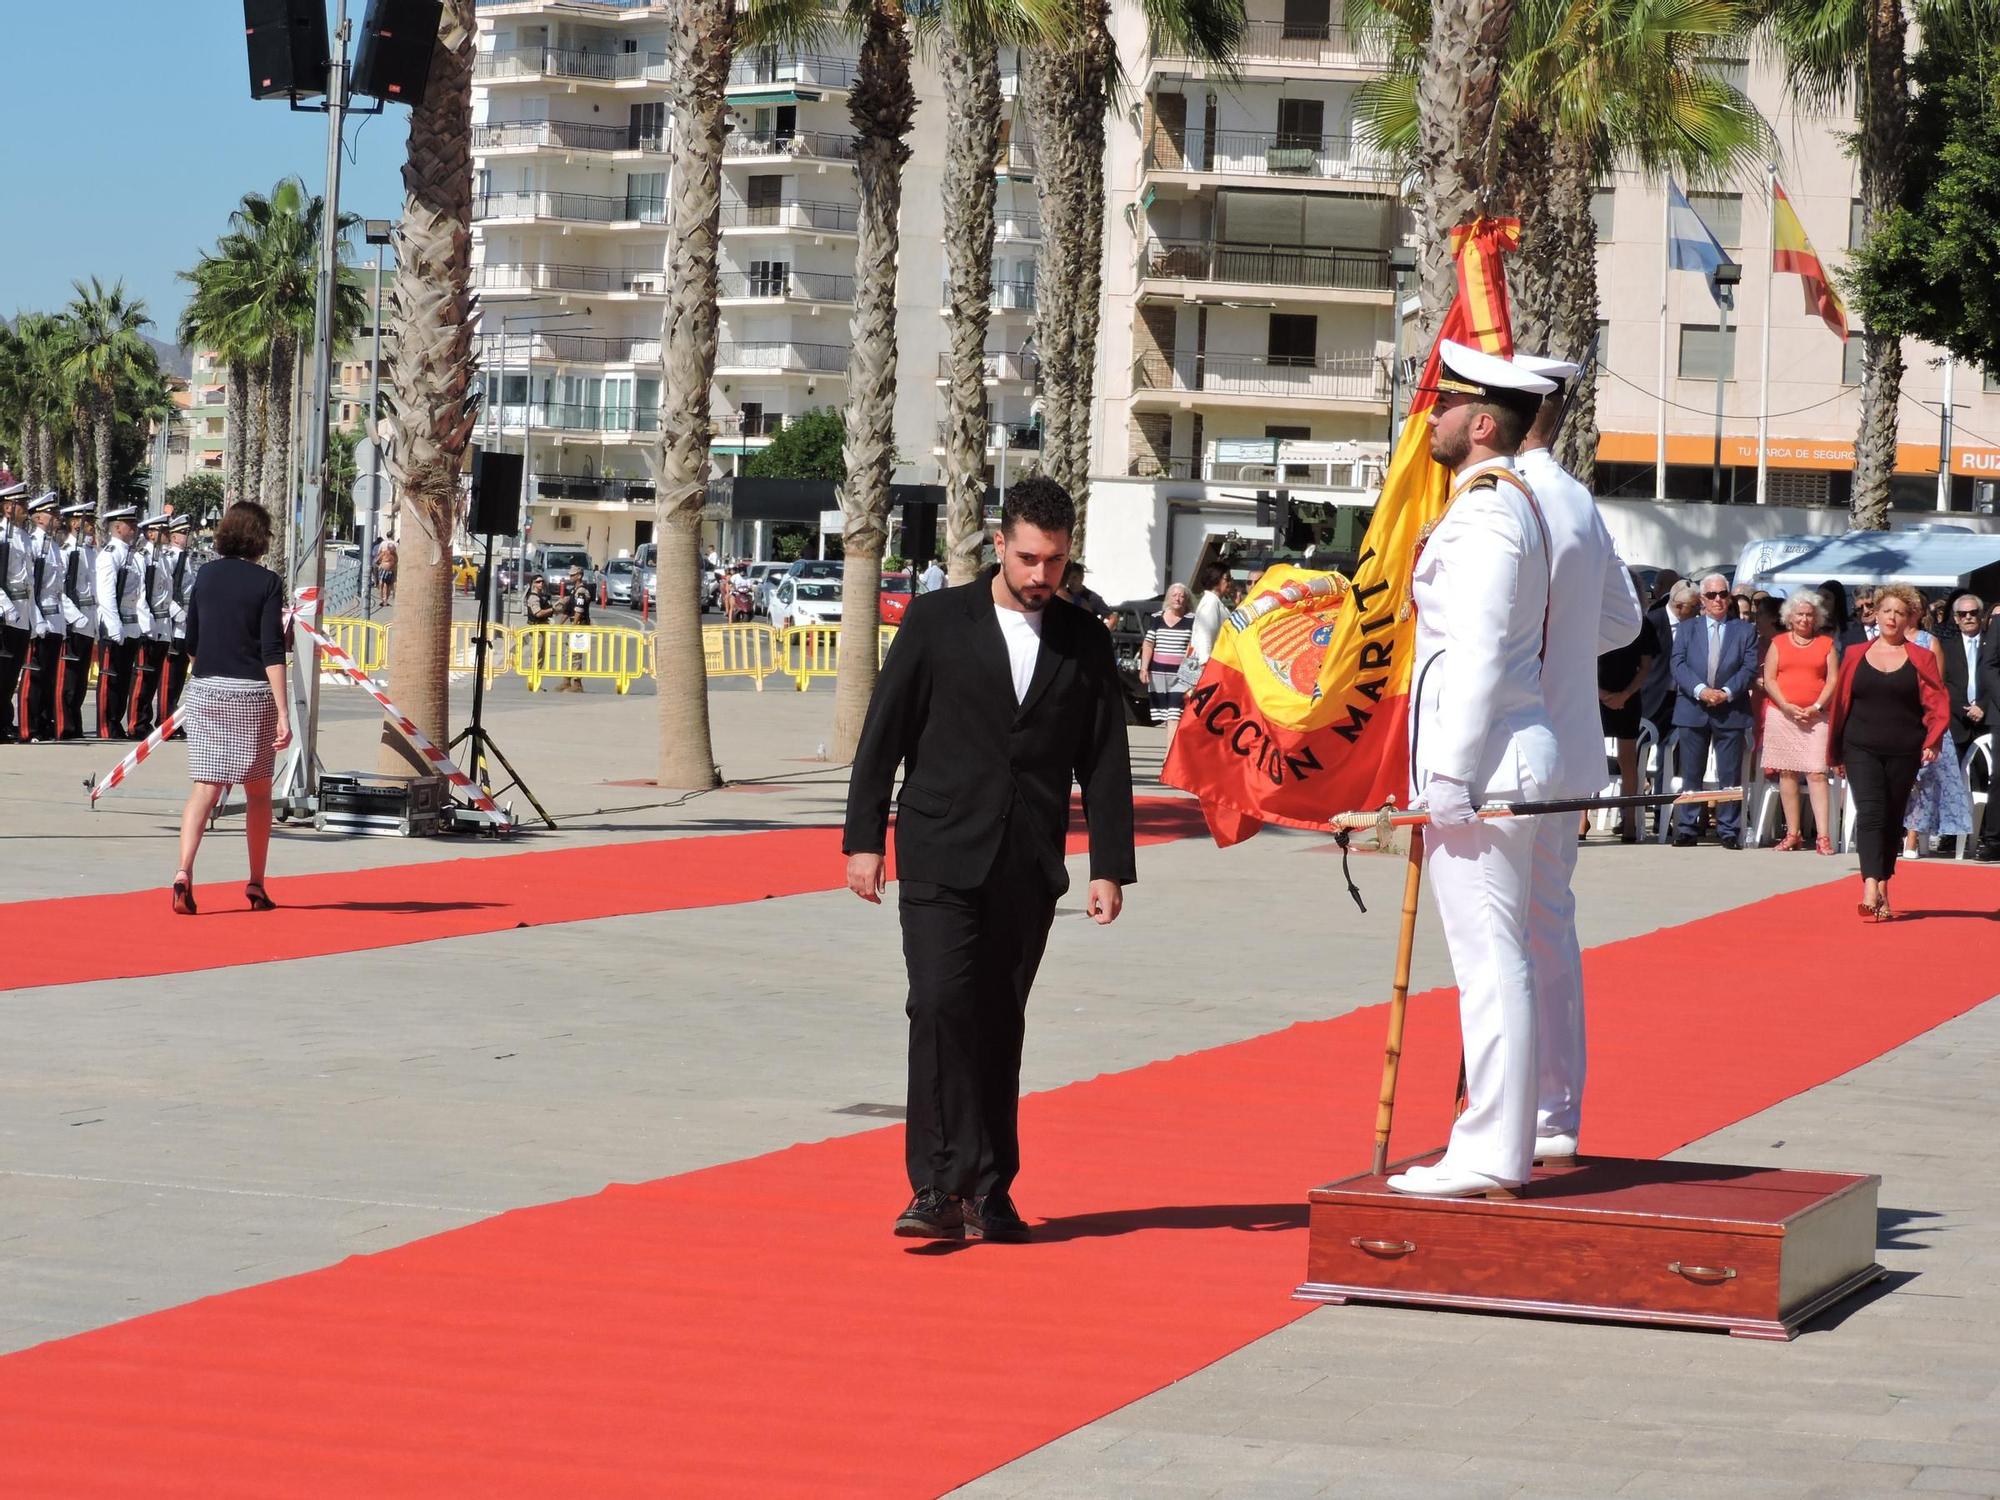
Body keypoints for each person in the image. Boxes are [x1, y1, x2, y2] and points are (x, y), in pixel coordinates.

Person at [842, 475, 1135, 1242]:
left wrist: (1108, 865)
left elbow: (1103, 761)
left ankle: (990, 1190)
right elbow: (887, 731)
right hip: (940, 849)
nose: (1044, 577)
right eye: (1031, 559)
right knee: (938, 1005)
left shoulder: (1085, 639)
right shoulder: (940, 621)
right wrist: (866, 839)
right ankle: (937, 1188)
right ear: (999, 545)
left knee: (1000, 1022)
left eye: (1058, 563)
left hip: (1027, 861)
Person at [1385, 340, 1559, 1201]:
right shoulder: (1484, 503)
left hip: (1486, 766)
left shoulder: (1490, 511)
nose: (1434, 415)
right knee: (1495, 959)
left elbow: (1484, 650)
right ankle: (1496, 1141)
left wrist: (1448, 773)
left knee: (1490, 961)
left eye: (1447, 404)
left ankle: (1491, 1149)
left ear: (1482, 424)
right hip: (1490, 760)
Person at [1510, 353, 1643, 1170]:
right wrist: (1562, 659)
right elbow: (1623, 620)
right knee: (1547, 932)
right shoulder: (1576, 497)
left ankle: (1515, 1112)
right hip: (1566, 744)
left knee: (1503, 941)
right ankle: (1553, 1108)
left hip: (1507, 750)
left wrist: (1537, 653)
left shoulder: (1507, 495)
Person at [171, 501, 292, 917]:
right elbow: (272, 650)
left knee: (204, 787)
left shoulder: (205, 575)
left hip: (206, 689)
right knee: (258, 789)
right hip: (251, 693)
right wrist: (283, 711)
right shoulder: (268, 582)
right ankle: (256, 883)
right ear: (260, 539)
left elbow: (192, 640)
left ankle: (184, 871)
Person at [1829, 583, 1949, 920]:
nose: (1892, 618)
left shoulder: (1921, 657)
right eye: (1886, 611)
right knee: (1870, 812)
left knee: (1892, 817)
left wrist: (1932, 739)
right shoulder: (1853, 654)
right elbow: (1841, 704)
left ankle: (1883, 884)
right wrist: (1836, 751)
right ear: (1876, 614)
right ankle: (1869, 883)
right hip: (1859, 745)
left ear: (1909, 617)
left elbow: (1937, 702)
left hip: (1904, 747)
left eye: (1899, 612)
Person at [1668, 573, 1759, 847]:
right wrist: (1700, 690)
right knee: (1691, 772)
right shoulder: (1687, 628)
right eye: (1711, 595)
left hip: (1730, 708)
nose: (1717, 599)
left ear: (1729, 597)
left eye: (1722, 594)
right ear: (1702, 601)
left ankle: (1729, 830)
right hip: (1693, 707)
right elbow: (1678, 664)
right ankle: (1686, 827)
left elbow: (1749, 667)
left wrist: (1726, 692)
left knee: (1729, 774)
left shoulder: (1745, 630)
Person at [1760, 590, 1838, 853]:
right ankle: (1793, 833)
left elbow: (1832, 680)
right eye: (1800, 614)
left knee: (1816, 773)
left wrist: (1816, 707)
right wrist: (1785, 705)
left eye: (1809, 614)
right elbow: (1769, 679)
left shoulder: (1826, 644)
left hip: (1816, 717)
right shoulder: (1778, 642)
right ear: (1789, 617)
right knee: (1787, 773)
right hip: (1783, 715)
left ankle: (1823, 837)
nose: (1804, 619)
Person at [1595, 568, 1659, 843]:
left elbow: (1646, 667)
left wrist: (1623, 694)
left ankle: (1630, 821)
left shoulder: (1642, 624)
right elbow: (1581, 659)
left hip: (1626, 697)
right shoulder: (1593, 619)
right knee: (1589, 757)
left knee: (1627, 761)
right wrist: (1600, 693)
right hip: (1596, 694)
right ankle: (1582, 819)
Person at [94, 505, 149, 739]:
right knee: (110, 678)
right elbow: (106, 595)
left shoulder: (133, 556)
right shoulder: (110, 554)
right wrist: (114, 626)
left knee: (124, 677)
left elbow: (139, 593)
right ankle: (107, 726)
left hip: (130, 625)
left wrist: (142, 625)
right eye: (130, 525)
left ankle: (116, 721)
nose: (135, 528)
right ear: (117, 527)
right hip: (114, 624)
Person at [22, 492, 66, 742]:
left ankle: (43, 723)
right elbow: (33, 587)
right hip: (40, 617)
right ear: (38, 517)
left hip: (55, 618)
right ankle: (29, 728)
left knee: (48, 675)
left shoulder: (53, 546)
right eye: (52, 514)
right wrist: (36, 618)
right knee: (35, 675)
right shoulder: (35, 544)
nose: (56, 518)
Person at [57, 502, 99, 740]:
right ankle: (64, 725)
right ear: (75, 523)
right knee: (69, 679)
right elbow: (59, 589)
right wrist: (75, 617)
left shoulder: (89, 551)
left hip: (88, 620)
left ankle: (75, 724)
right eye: (88, 522)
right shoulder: (66, 551)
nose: (92, 527)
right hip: (74, 622)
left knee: (81, 679)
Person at [130, 513, 174, 740]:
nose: (167, 534)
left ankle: (145, 721)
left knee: (153, 677)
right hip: (150, 623)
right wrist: (147, 625)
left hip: (163, 622)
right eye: (163, 531)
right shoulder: (143, 557)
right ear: (150, 533)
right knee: (143, 677)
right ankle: (136, 722)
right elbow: (140, 595)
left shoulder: (162, 557)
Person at [0, 481, 33, 743]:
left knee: (11, 676)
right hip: (6, 614)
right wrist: (7, 608)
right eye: (21, 504)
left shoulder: (23, 537)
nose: (26, 508)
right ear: (8, 507)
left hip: (22, 615)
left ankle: (4, 723)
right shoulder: (1, 535)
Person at [162, 515, 198, 737]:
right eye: (183, 533)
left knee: (178, 680)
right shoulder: (171, 559)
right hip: (175, 623)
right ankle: (166, 721)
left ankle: (172, 719)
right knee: (169, 678)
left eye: (188, 532)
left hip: (185, 622)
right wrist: (178, 614)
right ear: (174, 536)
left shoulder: (185, 559)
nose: (187, 536)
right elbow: (166, 592)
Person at [1140, 582, 1194, 727]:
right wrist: (1144, 668)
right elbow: (1148, 644)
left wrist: (1190, 677)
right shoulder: (1157, 618)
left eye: (1181, 596)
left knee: (1174, 714)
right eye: (1174, 595)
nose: (1178, 599)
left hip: (1180, 677)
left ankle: (1170, 750)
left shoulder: (1192, 620)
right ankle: (1174, 747)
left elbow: (1193, 648)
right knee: (1167, 716)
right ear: (1168, 599)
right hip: (1158, 675)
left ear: (1186, 600)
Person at [558, 563, 592, 692]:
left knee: (576, 654)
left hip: (580, 625)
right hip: (574, 624)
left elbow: (579, 609)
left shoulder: (582, 591)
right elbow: (568, 610)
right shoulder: (573, 590)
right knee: (568, 654)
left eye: (573, 575)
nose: (570, 577)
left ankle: (577, 683)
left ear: (579, 576)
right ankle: (566, 681)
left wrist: (573, 625)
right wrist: (560, 624)